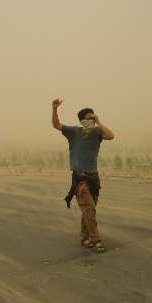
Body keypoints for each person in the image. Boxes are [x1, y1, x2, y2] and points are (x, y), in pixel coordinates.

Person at [51, 98, 115, 253]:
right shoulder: (74, 132)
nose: (91, 120)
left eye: (93, 117)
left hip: (94, 177)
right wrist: (54, 109)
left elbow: (111, 135)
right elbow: (56, 125)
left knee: (88, 210)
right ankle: (95, 239)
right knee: (89, 208)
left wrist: (98, 121)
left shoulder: (97, 133)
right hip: (80, 177)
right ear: (82, 120)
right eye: (89, 117)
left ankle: (84, 238)